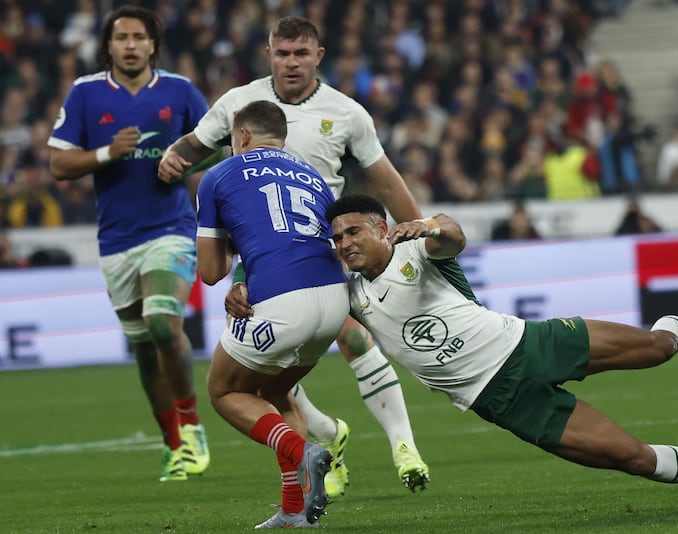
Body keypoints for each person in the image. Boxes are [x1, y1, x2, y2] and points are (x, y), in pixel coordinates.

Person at [311, 194, 678, 511]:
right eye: (337, 239)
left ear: (381, 228)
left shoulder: (418, 251)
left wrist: (430, 223)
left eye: (352, 232)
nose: (344, 244)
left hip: (530, 344)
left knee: (657, 347)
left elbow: (452, 234)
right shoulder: (349, 295)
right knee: (633, 459)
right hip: (504, 402)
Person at [157, 15, 429, 494]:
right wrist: (171, 156)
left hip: (327, 245)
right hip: (260, 256)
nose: (291, 63)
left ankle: (401, 447)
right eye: (283, 54)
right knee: (271, 379)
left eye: (301, 53)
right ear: (269, 55)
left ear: (318, 57)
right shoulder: (237, 102)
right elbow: (194, 146)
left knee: (346, 342)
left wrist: (418, 232)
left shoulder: (346, 112)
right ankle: (324, 439)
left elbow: (384, 179)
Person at [47, 5, 210, 482]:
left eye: (140, 37)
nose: (132, 45)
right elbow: (59, 165)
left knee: (163, 322)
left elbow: (217, 144)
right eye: (122, 38)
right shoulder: (86, 93)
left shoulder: (181, 91)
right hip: (116, 239)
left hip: (171, 229)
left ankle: (193, 424)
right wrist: (106, 153)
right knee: (142, 348)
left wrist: (183, 159)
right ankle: (173, 444)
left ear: (153, 44)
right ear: (110, 46)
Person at [198, 100, 347, 529]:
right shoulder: (314, 177)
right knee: (278, 396)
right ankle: (293, 510)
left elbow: (210, 273)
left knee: (225, 392)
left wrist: (232, 248)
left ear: (241, 136)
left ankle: (305, 452)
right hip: (334, 303)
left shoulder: (219, 175)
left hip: (283, 302)